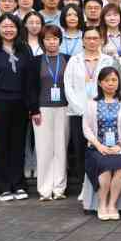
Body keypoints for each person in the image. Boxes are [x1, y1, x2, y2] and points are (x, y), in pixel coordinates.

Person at [0, 13, 36, 202]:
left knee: (18, 145)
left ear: (18, 29)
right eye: (4, 26)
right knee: (0, 145)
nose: (8, 30)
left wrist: (31, 105)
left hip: (20, 103)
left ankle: (18, 184)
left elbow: (30, 79)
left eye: (12, 26)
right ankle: (2, 187)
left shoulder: (25, 48)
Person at [64, 27, 115, 193]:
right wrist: (81, 109)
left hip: (102, 112)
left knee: (100, 149)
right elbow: (68, 86)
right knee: (80, 150)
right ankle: (84, 188)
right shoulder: (74, 60)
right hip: (78, 113)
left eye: (95, 38)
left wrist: (99, 107)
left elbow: (112, 84)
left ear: (101, 40)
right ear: (83, 41)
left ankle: (100, 186)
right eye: (88, 38)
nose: (92, 41)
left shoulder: (108, 60)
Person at [83, 66, 121, 220]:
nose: (111, 83)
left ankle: (112, 204)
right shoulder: (92, 103)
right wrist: (99, 146)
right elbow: (86, 128)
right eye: (106, 80)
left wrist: (120, 144)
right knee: (104, 167)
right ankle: (102, 204)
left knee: (120, 168)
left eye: (114, 80)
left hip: (120, 147)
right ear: (100, 83)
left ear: (118, 82)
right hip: (97, 147)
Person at [30, 25, 70, 201]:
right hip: (42, 109)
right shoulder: (36, 61)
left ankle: (59, 188)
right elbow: (30, 88)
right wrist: (34, 109)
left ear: (60, 41)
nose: (52, 42)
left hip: (65, 108)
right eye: (47, 39)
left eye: (55, 38)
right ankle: (45, 189)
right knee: (44, 149)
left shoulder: (68, 59)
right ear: (42, 41)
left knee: (61, 148)